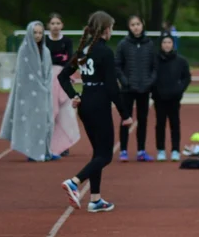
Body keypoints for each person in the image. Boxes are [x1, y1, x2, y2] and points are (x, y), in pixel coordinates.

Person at [59, 11, 133, 213]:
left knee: (98, 153)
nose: (112, 30)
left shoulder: (83, 50)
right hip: (99, 105)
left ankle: (95, 199)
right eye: (112, 27)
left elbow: (62, 77)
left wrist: (74, 95)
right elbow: (112, 88)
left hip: (85, 104)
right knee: (106, 155)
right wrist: (125, 114)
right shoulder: (106, 53)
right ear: (105, 29)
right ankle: (75, 182)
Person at [0, 21, 56, 162]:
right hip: (30, 94)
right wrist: (39, 87)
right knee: (32, 122)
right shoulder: (24, 50)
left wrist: (46, 86)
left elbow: (48, 72)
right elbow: (24, 75)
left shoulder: (46, 51)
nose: (37, 35)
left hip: (45, 92)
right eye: (35, 32)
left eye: (40, 33)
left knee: (47, 121)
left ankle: (46, 150)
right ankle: (33, 152)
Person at [115, 14, 158, 162]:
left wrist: (150, 82)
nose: (136, 27)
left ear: (143, 25)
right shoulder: (123, 44)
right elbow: (117, 65)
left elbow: (154, 67)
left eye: (138, 24)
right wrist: (124, 81)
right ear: (129, 27)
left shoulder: (150, 44)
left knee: (142, 120)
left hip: (144, 89)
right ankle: (124, 151)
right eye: (133, 25)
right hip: (127, 89)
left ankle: (141, 150)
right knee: (126, 119)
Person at [43, 13, 81, 158]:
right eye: (53, 23)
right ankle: (49, 143)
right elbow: (45, 59)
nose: (55, 26)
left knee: (66, 112)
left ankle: (64, 145)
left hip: (63, 78)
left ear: (62, 25)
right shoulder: (44, 41)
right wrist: (59, 58)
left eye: (58, 23)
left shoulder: (67, 41)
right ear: (48, 25)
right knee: (51, 111)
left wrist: (65, 68)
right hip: (48, 79)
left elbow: (69, 59)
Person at [152, 34, 191, 162]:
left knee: (175, 124)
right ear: (161, 44)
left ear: (173, 44)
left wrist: (180, 90)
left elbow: (187, 78)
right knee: (160, 124)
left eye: (169, 42)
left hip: (174, 98)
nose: (167, 45)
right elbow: (150, 76)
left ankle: (175, 150)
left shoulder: (181, 61)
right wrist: (155, 90)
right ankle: (161, 150)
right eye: (164, 42)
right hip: (159, 98)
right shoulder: (155, 60)